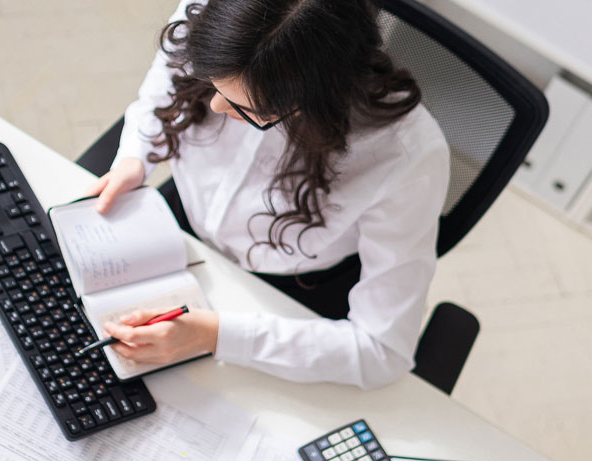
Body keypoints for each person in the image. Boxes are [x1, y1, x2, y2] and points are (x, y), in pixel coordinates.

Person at [86, 0, 449, 389]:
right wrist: (134, 157)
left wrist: (214, 336)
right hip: (184, 215)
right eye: (211, 81)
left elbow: (383, 351)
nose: (213, 104)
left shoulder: (406, 154)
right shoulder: (213, 14)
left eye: (249, 109)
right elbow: (161, 91)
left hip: (291, 284)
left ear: (317, 98)